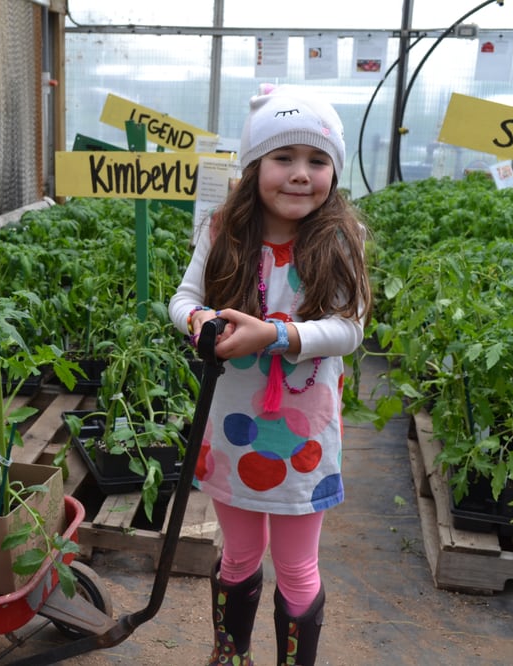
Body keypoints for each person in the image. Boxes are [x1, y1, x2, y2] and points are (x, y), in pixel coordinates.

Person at [169, 84, 372, 666]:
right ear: (256, 165)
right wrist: (200, 320)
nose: (301, 174)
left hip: (303, 437)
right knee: (238, 556)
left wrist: (276, 335)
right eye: (284, 158)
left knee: (296, 566)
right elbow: (183, 299)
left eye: (317, 160)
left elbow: (349, 329)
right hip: (232, 427)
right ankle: (229, 657)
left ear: (333, 169)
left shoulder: (338, 239)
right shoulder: (222, 232)